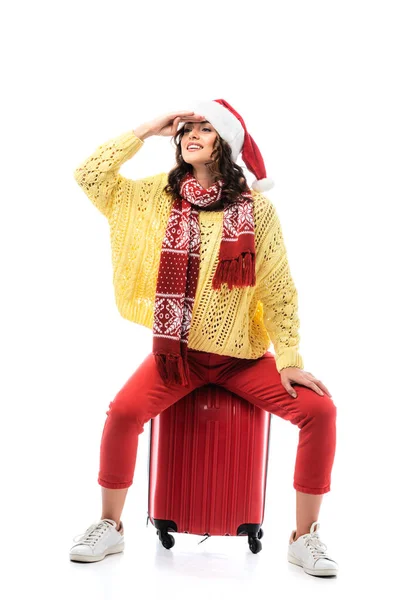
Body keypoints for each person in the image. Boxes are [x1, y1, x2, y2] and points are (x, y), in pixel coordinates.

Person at [69, 99, 338, 577]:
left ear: (226, 142)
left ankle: (305, 538)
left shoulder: (257, 210)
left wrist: (290, 358)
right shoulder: (158, 196)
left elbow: (277, 287)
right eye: (187, 127)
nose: (191, 133)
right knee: (124, 414)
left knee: (320, 411)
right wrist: (147, 129)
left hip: (241, 359)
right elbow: (90, 176)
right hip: (179, 357)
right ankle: (110, 524)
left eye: (205, 127)